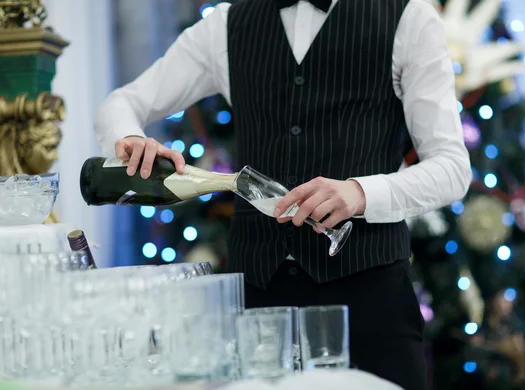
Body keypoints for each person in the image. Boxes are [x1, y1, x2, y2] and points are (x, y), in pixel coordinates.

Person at [94, 0, 472, 388]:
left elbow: (452, 168)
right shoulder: (226, 24)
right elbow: (121, 104)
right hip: (257, 306)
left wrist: (361, 193)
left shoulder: (409, 16)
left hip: (370, 304)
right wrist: (132, 140)